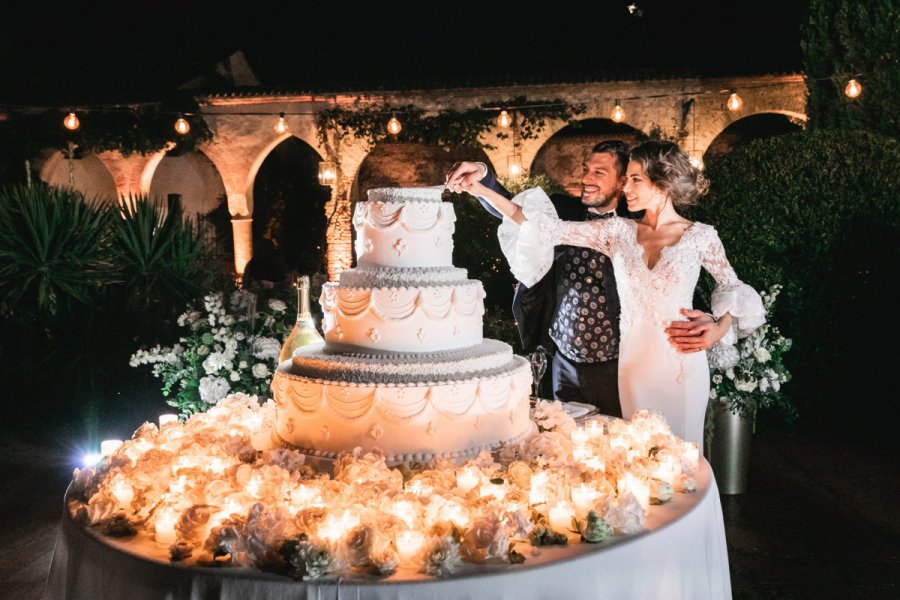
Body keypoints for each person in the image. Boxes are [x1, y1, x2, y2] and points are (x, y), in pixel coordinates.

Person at [460, 141, 764, 445]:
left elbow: (733, 286)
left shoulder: (701, 235)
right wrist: (482, 189)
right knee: (634, 455)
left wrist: (719, 326)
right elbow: (534, 223)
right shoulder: (618, 231)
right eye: (626, 178)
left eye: (634, 179)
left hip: (682, 364)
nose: (626, 186)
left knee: (684, 454)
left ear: (662, 183)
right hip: (631, 368)